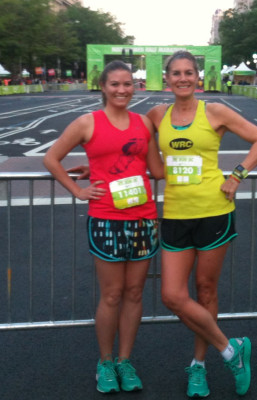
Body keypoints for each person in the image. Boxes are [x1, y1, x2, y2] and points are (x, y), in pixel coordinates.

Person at [146, 51, 257, 398]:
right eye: (176, 73)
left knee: (205, 291)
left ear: (197, 77)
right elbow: (148, 164)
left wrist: (236, 176)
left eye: (189, 72)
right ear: (167, 79)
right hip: (175, 212)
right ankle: (232, 351)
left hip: (214, 211)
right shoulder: (157, 115)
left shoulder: (214, 111)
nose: (183, 78)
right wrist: (97, 170)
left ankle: (199, 367)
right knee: (172, 295)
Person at [43, 60, 164, 394]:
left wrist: (189, 146)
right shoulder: (87, 122)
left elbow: (156, 170)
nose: (122, 90)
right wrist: (78, 190)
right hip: (106, 218)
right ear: (103, 87)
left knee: (135, 293)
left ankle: (125, 360)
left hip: (143, 217)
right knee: (111, 294)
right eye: (115, 84)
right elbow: (51, 158)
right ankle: (106, 362)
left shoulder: (143, 124)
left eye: (128, 84)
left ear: (134, 86)